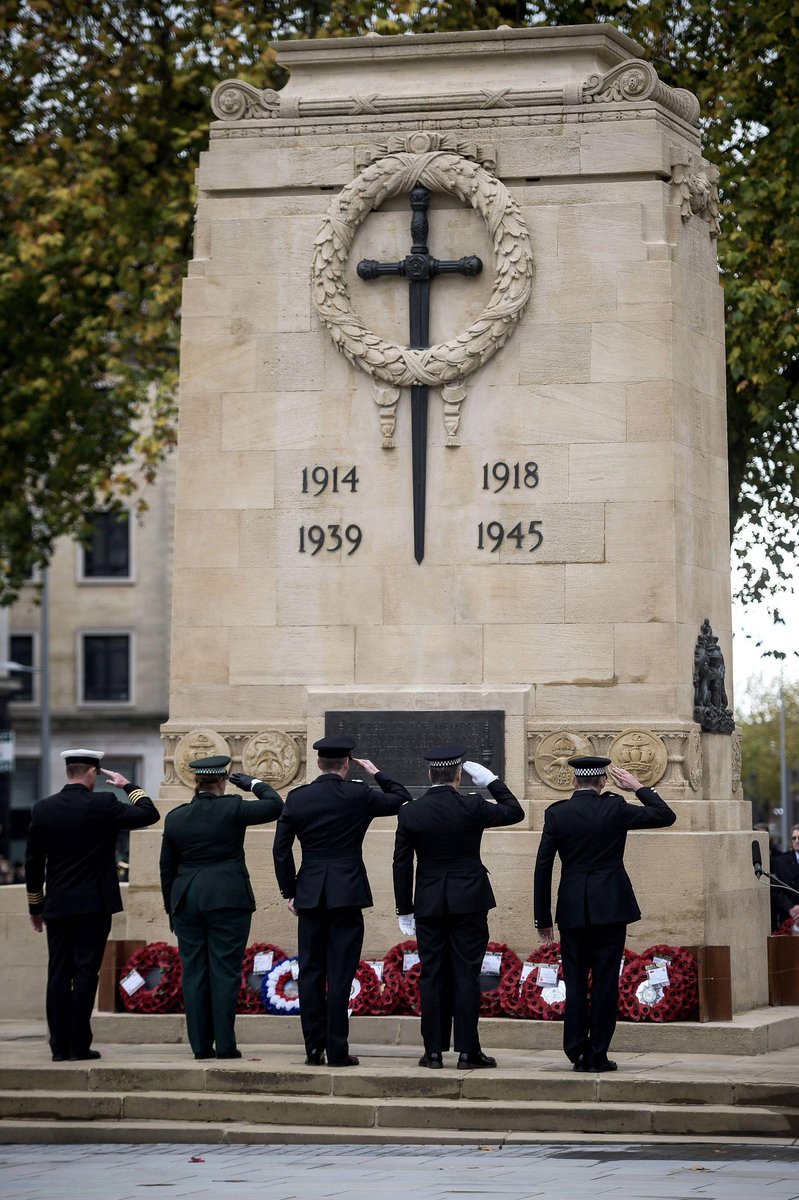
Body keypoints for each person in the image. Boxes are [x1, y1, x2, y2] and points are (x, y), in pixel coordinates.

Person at [272, 734, 411, 1067]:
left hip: (309, 893)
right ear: (346, 764)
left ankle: (312, 1047)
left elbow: (281, 849)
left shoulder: (298, 798)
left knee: (310, 972)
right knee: (341, 972)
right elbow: (401, 798)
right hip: (346, 892)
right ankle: (337, 1049)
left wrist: (289, 890)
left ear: (319, 764)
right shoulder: (359, 794)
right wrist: (377, 773)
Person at [533, 755, 676, 1073]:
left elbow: (543, 866)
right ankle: (597, 1053)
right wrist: (639, 787)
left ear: (573, 782)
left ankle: (575, 1050)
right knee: (605, 982)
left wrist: (542, 918)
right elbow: (665, 815)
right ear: (603, 781)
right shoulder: (615, 807)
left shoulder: (558, 813)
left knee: (574, 980)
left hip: (572, 908)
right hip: (611, 907)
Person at [392, 744, 524, 1070]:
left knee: (433, 974)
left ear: (429, 774)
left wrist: (404, 908)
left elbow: (401, 864)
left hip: (429, 903)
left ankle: (433, 1052)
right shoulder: (473, 805)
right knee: (467, 973)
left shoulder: (411, 811)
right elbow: (515, 811)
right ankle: (467, 1052)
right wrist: (492, 781)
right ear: (459, 775)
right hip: (469, 901)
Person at [25, 748, 159, 1062]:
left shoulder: (43, 809)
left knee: (58, 973)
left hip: (57, 905)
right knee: (85, 973)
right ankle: (78, 1044)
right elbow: (149, 814)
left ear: (68, 772)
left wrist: (35, 906)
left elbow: (33, 862)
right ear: (93, 773)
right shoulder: (104, 804)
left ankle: (59, 1046)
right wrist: (128, 785)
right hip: (94, 906)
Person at [160, 754, 283, 1060]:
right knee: (225, 972)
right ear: (223, 781)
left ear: (196, 782)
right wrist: (254, 783)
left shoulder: (176, 817)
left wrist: (171, 908)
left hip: (186, 900)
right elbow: (275, 805)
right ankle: (225, 1045)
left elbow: (167, 869)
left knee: (194, 972)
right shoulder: (233, 808)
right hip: (227, 899)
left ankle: (201, 1046)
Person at [772, 824, 799, 929]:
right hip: (788, 915)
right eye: (794, 838)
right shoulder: (781, 861)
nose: (796, 841)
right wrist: (791, 908)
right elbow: (776, 889)